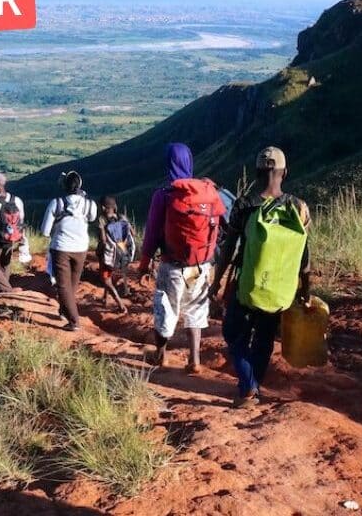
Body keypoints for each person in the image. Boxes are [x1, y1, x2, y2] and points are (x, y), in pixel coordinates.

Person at [210, 146, 312, 408]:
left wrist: (217, 281)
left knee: (234, 333)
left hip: (248, 282)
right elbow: (304, 253)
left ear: (257, 172)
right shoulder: (299, 208)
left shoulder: (244, 205)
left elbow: (229, 247)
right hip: (280, 286)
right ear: (284, 173)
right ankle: (252, 385)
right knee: (265, 338)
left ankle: (248, 388)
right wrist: (305, 288)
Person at [138, 143, 227, 373]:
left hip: (172, 265)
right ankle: (194, 360)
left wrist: (144, 265)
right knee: (195, 310)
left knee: (166, 308)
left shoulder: (165, 194)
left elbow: (152, 233)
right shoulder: (207, 192)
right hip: (201, 265)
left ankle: (160, 355)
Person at [40, 171, 98, 331]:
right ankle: (64, 311)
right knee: (72, 283)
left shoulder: (56, 203)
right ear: (79, 186)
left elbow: (45, 230)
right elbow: (92, 218)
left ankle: (74, 321)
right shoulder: (89, 204)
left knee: (63, 285)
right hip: (81, 248)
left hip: (61, 247)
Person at [96, 195, 135, 314]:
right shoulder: (122, 217)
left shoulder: (102, 220)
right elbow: (133, 233)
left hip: (108, 254)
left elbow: (103, 240)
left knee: (106, 279)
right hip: (122, 252)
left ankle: (121, 305)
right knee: (109, 275)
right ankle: (105, 297)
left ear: (103, 207)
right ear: (114, 207)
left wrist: (100, 251)